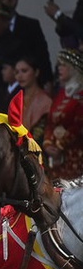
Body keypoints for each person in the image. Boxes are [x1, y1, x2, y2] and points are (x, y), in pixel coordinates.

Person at [0, 0, 53, 89]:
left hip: (28, 84)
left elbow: (42, 55)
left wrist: (47, 80)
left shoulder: (30, 25)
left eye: (1, 0)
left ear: (13, 1)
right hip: (1, 86)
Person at [43, 49, 83, 181]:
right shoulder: (61, 93)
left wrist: (59, 146)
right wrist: (48, 144)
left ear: (73, 68)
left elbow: (78, 125)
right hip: (56, 158)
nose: (59, 68)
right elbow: (50, 122)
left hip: (76, 156)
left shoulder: (81, 94)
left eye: (63, 65)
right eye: (59, 65)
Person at [13, 54, 52, 139]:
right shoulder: (16, 99)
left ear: (36, 72)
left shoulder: (45, 100)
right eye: (16, 72)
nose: (20, 76)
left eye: (24, 71)